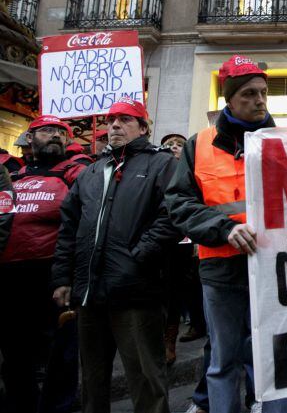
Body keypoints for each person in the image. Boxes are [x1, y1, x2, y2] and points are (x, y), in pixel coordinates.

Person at [166, 55, 287, 413]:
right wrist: (224, 229)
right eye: (249, 94)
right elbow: (178, 204)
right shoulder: (198, 145)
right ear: (229, 100)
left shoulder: (285, 143)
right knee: (223, 361)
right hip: (221, 272)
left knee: (275, 359)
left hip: (275, 269)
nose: (260, 101)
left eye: (263, 93)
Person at [51, 98, 179, 413]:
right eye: (111, 120)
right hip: (89, 294)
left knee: (146, 380)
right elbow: (69, 228)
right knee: (93, 382)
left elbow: (173, 216)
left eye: (125, 119)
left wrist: (139, 257)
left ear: (144, 127)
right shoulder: (92, 172)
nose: (115, 126)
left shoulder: (161, 164)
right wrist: (63, 278)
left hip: (136, 291)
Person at [0, 115, 86, 413]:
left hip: (53, 273)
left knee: (59, 350)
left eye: (61, 132)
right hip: (11, 275)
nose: (55, 136)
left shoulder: (75, 173)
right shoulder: (14, 176)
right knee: (15, 349)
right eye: (47, 131)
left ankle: (58, 407)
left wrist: (68, 275)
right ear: (29, 138)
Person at [160, 132, 205, 365]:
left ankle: (190, 328)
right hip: (164, 240)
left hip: (189, 241)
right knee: (167, 290)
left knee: (187, 287)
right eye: (169, 145)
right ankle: (166, 338)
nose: (174, 147)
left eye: (179, 144)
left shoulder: (195, 170)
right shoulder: (157, 170)